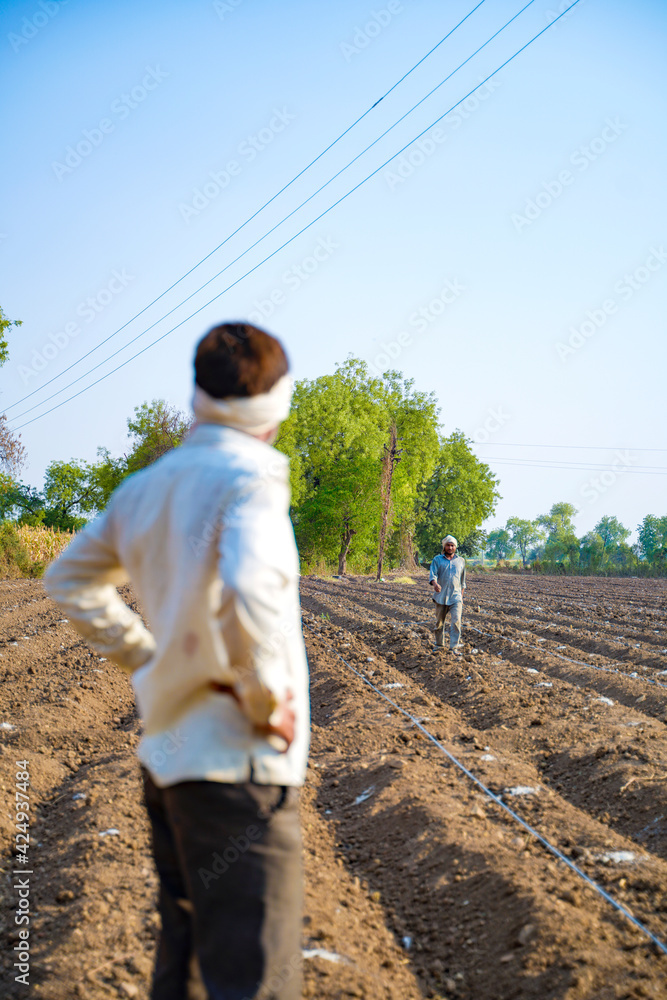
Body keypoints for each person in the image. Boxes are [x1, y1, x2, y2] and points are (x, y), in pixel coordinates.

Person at [44, 322, 309, 1000]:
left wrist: (145, 656)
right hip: (237, 764)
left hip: (170, 760)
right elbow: (251, 588)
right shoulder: (250, 482)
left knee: (187, 966)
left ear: (196, 394)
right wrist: (260, 696)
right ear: (277, 404)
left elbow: (69, 579)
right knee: (253, 981)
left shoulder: (145, 487)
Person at [428, 534, 466, 653]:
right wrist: (435, 584)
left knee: (456, 622)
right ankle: (439, 645)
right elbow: (432, 574)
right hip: (441, 597)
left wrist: (461, 597)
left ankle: (453, 647)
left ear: (455, 547)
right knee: (439, 623)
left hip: (456, 597)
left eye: (452, 545)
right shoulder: (437, 560)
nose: (450, 548)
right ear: (444, 547)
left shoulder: (461, 561)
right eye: (448, 545)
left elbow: (462, 581)